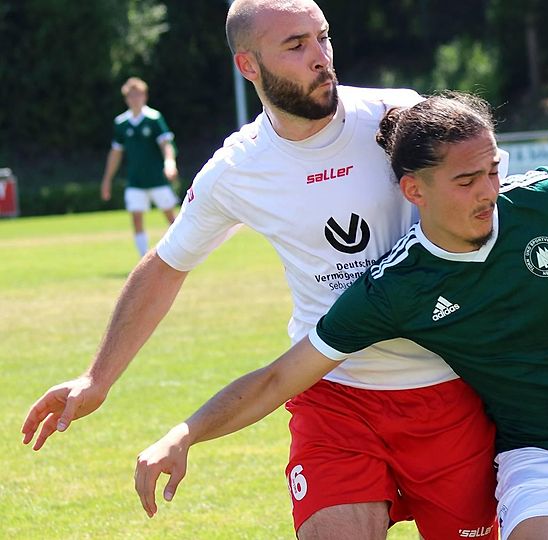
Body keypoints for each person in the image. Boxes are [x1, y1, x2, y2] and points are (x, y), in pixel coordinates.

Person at [135, 93, 548, 540]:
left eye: (493, 170)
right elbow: (280, 378)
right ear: (415, 191)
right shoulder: (398, 289)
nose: (489, 190)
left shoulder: (543, 197)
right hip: (547, 455)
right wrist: (185, 432)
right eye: (467, 180)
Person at [22, 1, 500, 538]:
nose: (321, 57)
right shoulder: (238, 170)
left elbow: (499, 205)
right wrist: (96, 377)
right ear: (248, 66)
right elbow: (165, 266)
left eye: (322, 38)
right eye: (296, 46)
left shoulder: (401, 117)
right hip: (331, 393)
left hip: (447, 388)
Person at [100, 77, 180, 257]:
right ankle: (143, 258)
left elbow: (166, 144)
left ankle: (181, 253)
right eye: (131, 95)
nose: (134, 99)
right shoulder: (121, 123)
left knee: (171, 218)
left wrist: (170, 163)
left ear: (145, 96)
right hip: (135, 180)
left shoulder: (154, 118)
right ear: (126, 98)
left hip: (156, 179)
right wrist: (107, 179)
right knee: (136, 218)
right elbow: (115, 153)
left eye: (138, 95)